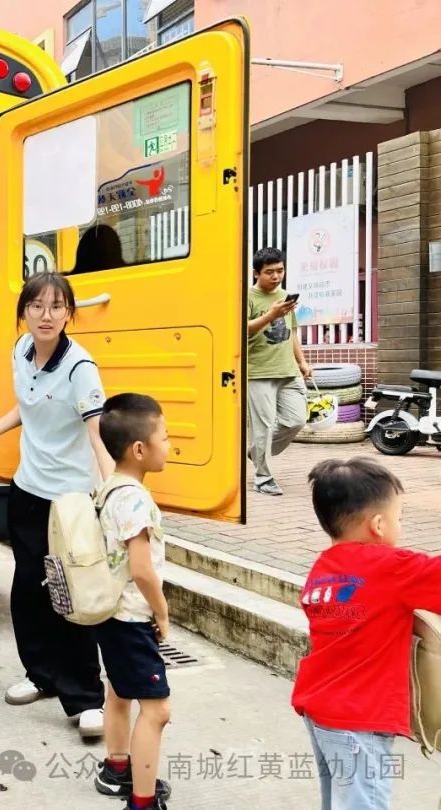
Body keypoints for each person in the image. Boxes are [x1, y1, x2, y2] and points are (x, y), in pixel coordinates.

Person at [0, 272, 116, 738]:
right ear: (24, 313)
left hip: (70, 499)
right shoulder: (21, 351)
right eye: (36, 306)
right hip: (28, 490)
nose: (46, 315)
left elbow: (98, 436)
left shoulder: (81, 368)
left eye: (56, 306)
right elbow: (27, 407)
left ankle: (86, 698)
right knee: (28, 590)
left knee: (70, 594)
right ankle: (40, 675)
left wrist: (114, 493)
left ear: (69, 313)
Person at [292, 458, 441, 810]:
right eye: (399, 518)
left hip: (321, 713)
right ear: (378, 524)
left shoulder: (324, 568)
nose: (400, 526)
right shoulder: (392, 568)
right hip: (360, 720)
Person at [91, 393, 173, 810]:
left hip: (109, 613)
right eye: (165, 436)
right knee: (157, 711)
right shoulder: (137, 499)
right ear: (139, 449)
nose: (169, 445)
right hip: (131, 618)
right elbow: (142, 570)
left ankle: (117, 769)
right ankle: (142, 802)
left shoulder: (109, 489)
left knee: (118, 692)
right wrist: (162, 612)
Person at [247, 246, 311, 496]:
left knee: (296, 420)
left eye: (280, 271)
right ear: (256, 273)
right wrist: (270, 314)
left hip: (289, 370)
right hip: (259, 371)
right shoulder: (248, 297)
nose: (276, 276)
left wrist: (303, 362)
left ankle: (256, 453)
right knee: (262, 427)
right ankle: (263, 477)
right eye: (270, 272)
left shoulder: (285, 295)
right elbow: (241, 330)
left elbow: (292, 331)